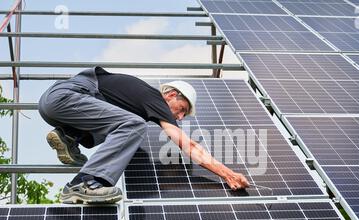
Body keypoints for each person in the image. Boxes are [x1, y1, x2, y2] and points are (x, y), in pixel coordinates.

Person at [38, 67, 249, 204]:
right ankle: (84, 183)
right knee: (134, 125)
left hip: (54, 102)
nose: (181, 116)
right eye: (182, 108)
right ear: (171, 95)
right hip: (68, 98)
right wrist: (227, 174)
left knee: (116, 127)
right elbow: (188, 146)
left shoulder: (137, 99)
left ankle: (68, 136)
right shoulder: (154, 99)